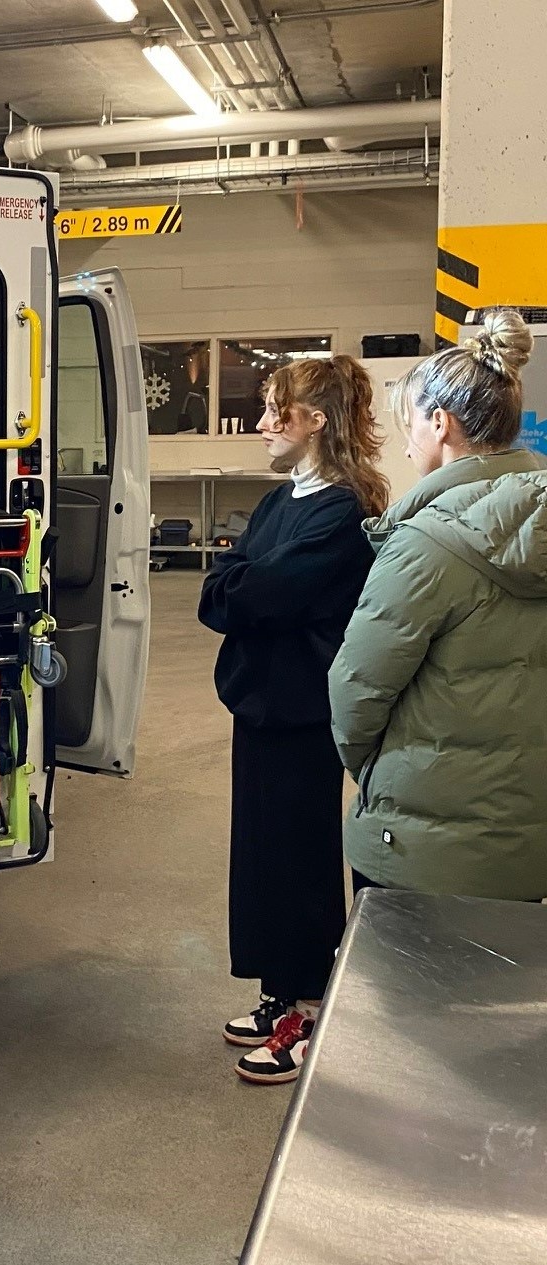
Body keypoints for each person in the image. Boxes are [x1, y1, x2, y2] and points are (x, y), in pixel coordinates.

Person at [198, 356, 386, 1085]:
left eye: (275, 410)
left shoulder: (340, 511)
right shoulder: (282, 504)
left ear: (313, 421)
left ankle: (308, 1007)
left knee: (301, 858)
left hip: (304, 710)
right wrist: (242, 588)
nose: (262, 424)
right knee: (261, 853)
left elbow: (254, 593)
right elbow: (223, 592)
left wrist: (242, 589)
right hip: (260, 702)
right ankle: (278, 986)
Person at [330, 310, 547, 900]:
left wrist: (383, 775)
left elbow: (355, 692)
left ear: (440, 422)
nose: (407, 442)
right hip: (533, 848)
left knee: (409, 989)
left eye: (410, 426)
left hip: (424, 850)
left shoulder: (426, 544)